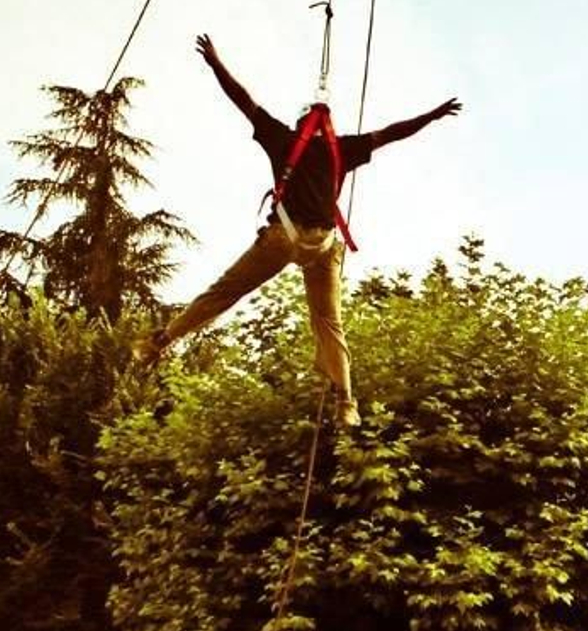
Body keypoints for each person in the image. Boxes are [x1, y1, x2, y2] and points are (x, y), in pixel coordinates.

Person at [140, 33, 463, 429]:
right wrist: (431, 116)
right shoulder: (341, 149)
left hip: (283, 239)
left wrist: (215, 63)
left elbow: (244, 102)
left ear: (300, 123)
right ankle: (346, 402)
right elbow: (392, 133)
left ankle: (164, 339)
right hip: (322, 244)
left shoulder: (284, 139)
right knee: (329, 323)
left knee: (226, 292)